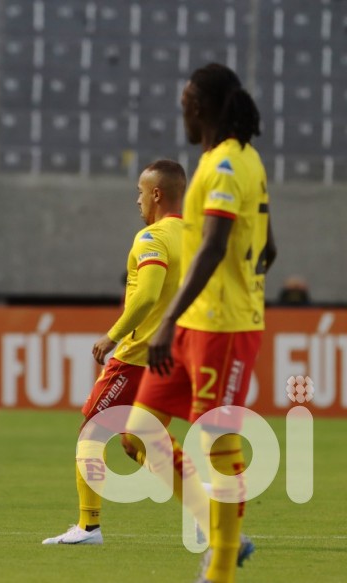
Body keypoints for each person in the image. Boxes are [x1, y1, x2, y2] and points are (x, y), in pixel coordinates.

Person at [122, 63, 276, 583]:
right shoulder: (230, 160)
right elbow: (268, 246)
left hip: (221, 327)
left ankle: (221, 570)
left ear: (201, 108)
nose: (182, 113)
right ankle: (218, 530)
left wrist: (173, 319)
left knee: (216, 439)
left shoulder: (229, 165)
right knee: (141, 433)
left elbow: (213, 245)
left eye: (186, 105)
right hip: (202, 321)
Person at [42, 160, 186, 545]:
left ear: (156, 194)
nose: (136, 199)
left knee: (91, 429)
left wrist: (112, 336)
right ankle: (205, 508)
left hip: (139, 355)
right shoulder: (196, 236)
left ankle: (88, 527)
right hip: (178, 355)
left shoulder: (151, 238)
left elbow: (148, 295)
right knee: (136, 441)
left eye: (140, 191)